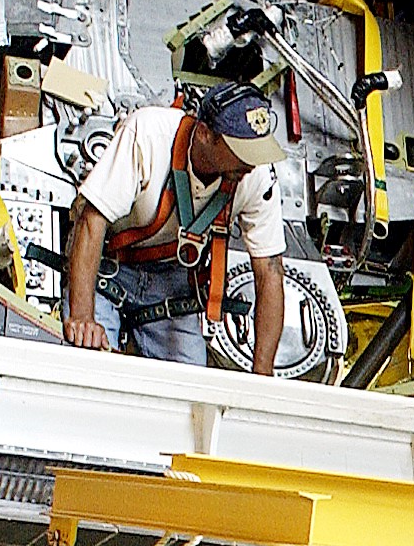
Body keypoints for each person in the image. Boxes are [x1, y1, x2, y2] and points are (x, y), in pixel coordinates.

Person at [61, 84, 291, 377]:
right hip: (107, 269)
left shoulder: (256, 174)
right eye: (240, 150)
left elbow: (270, 271)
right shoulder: (148, 133)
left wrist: (262, 372)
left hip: (172, 283)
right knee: (89, 369)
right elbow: (92, 220)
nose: (251, 162)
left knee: (190, 392)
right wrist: (82, 317)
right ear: (206, 134)